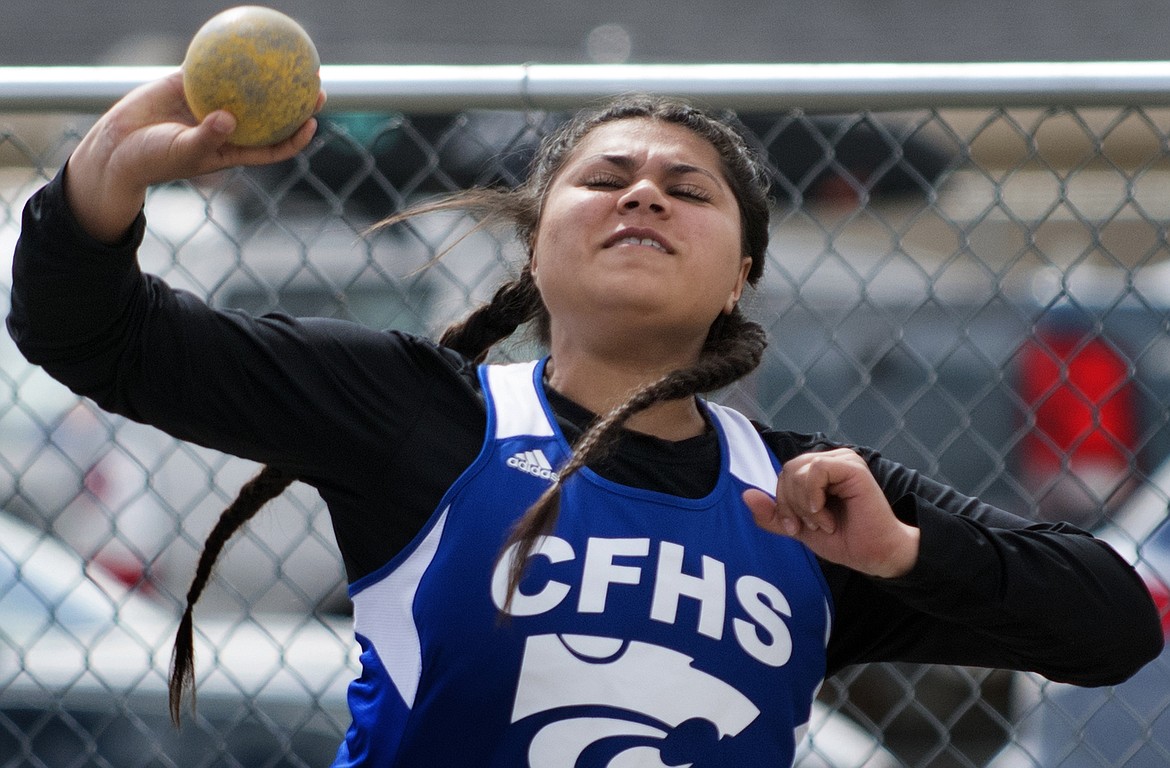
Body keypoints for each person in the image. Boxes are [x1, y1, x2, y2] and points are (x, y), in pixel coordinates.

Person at [7, 71, 1162, 767]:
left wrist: (907, 553)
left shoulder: (812, 499)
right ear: (536, 247)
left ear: (740, 278)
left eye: (689, 187)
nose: (645, 191)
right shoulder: (425, 417)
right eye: (605, 179)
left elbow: (1114, 627)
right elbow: (96, 333)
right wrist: (107, 169)